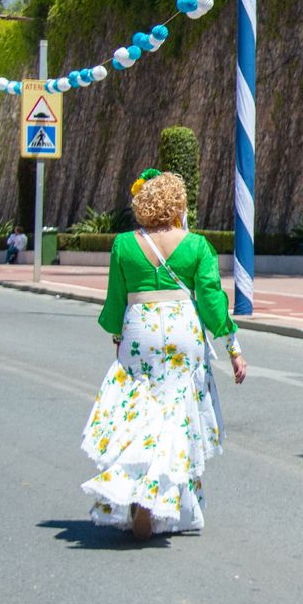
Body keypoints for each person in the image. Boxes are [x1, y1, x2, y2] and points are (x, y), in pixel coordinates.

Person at [80, 168, 246, 540]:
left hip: (141, 328)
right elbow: (213, 304)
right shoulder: (197, 245)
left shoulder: (124, 244)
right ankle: (166, 495)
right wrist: (234, 348)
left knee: (139, 410)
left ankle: (136, 489)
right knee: (177, 413)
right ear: (178, 203)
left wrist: (118, 334)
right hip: (183, 330)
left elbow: (114, 304)